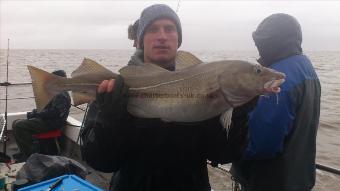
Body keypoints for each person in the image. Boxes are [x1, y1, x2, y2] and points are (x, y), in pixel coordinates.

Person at [81, 4, 253, 191]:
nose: (162, 36)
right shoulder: (115, 87)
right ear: (140, 41)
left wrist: (238, 113)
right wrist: (110, 120)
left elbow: (224, 154)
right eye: (153, 29)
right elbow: (100, 161)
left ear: (178, 39)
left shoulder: (206, 84)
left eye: (169, 29)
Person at [230, 13, 321, 191]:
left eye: (260, 44)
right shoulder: (306, 68)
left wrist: (228, 148)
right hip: (299, 179)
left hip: (269, 182)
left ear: (270, 43)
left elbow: (260, 145)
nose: (259, 49)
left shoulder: (276, 80)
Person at [12, 70, 71, 161]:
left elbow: (55, 112)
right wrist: (34, 112)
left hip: (52, 124)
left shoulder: (61, 94)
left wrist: (36, 114)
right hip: (46, 120)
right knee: (15, 122)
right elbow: (45, 108)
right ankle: (24, 152)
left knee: (19, 125)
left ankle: (30, 155)